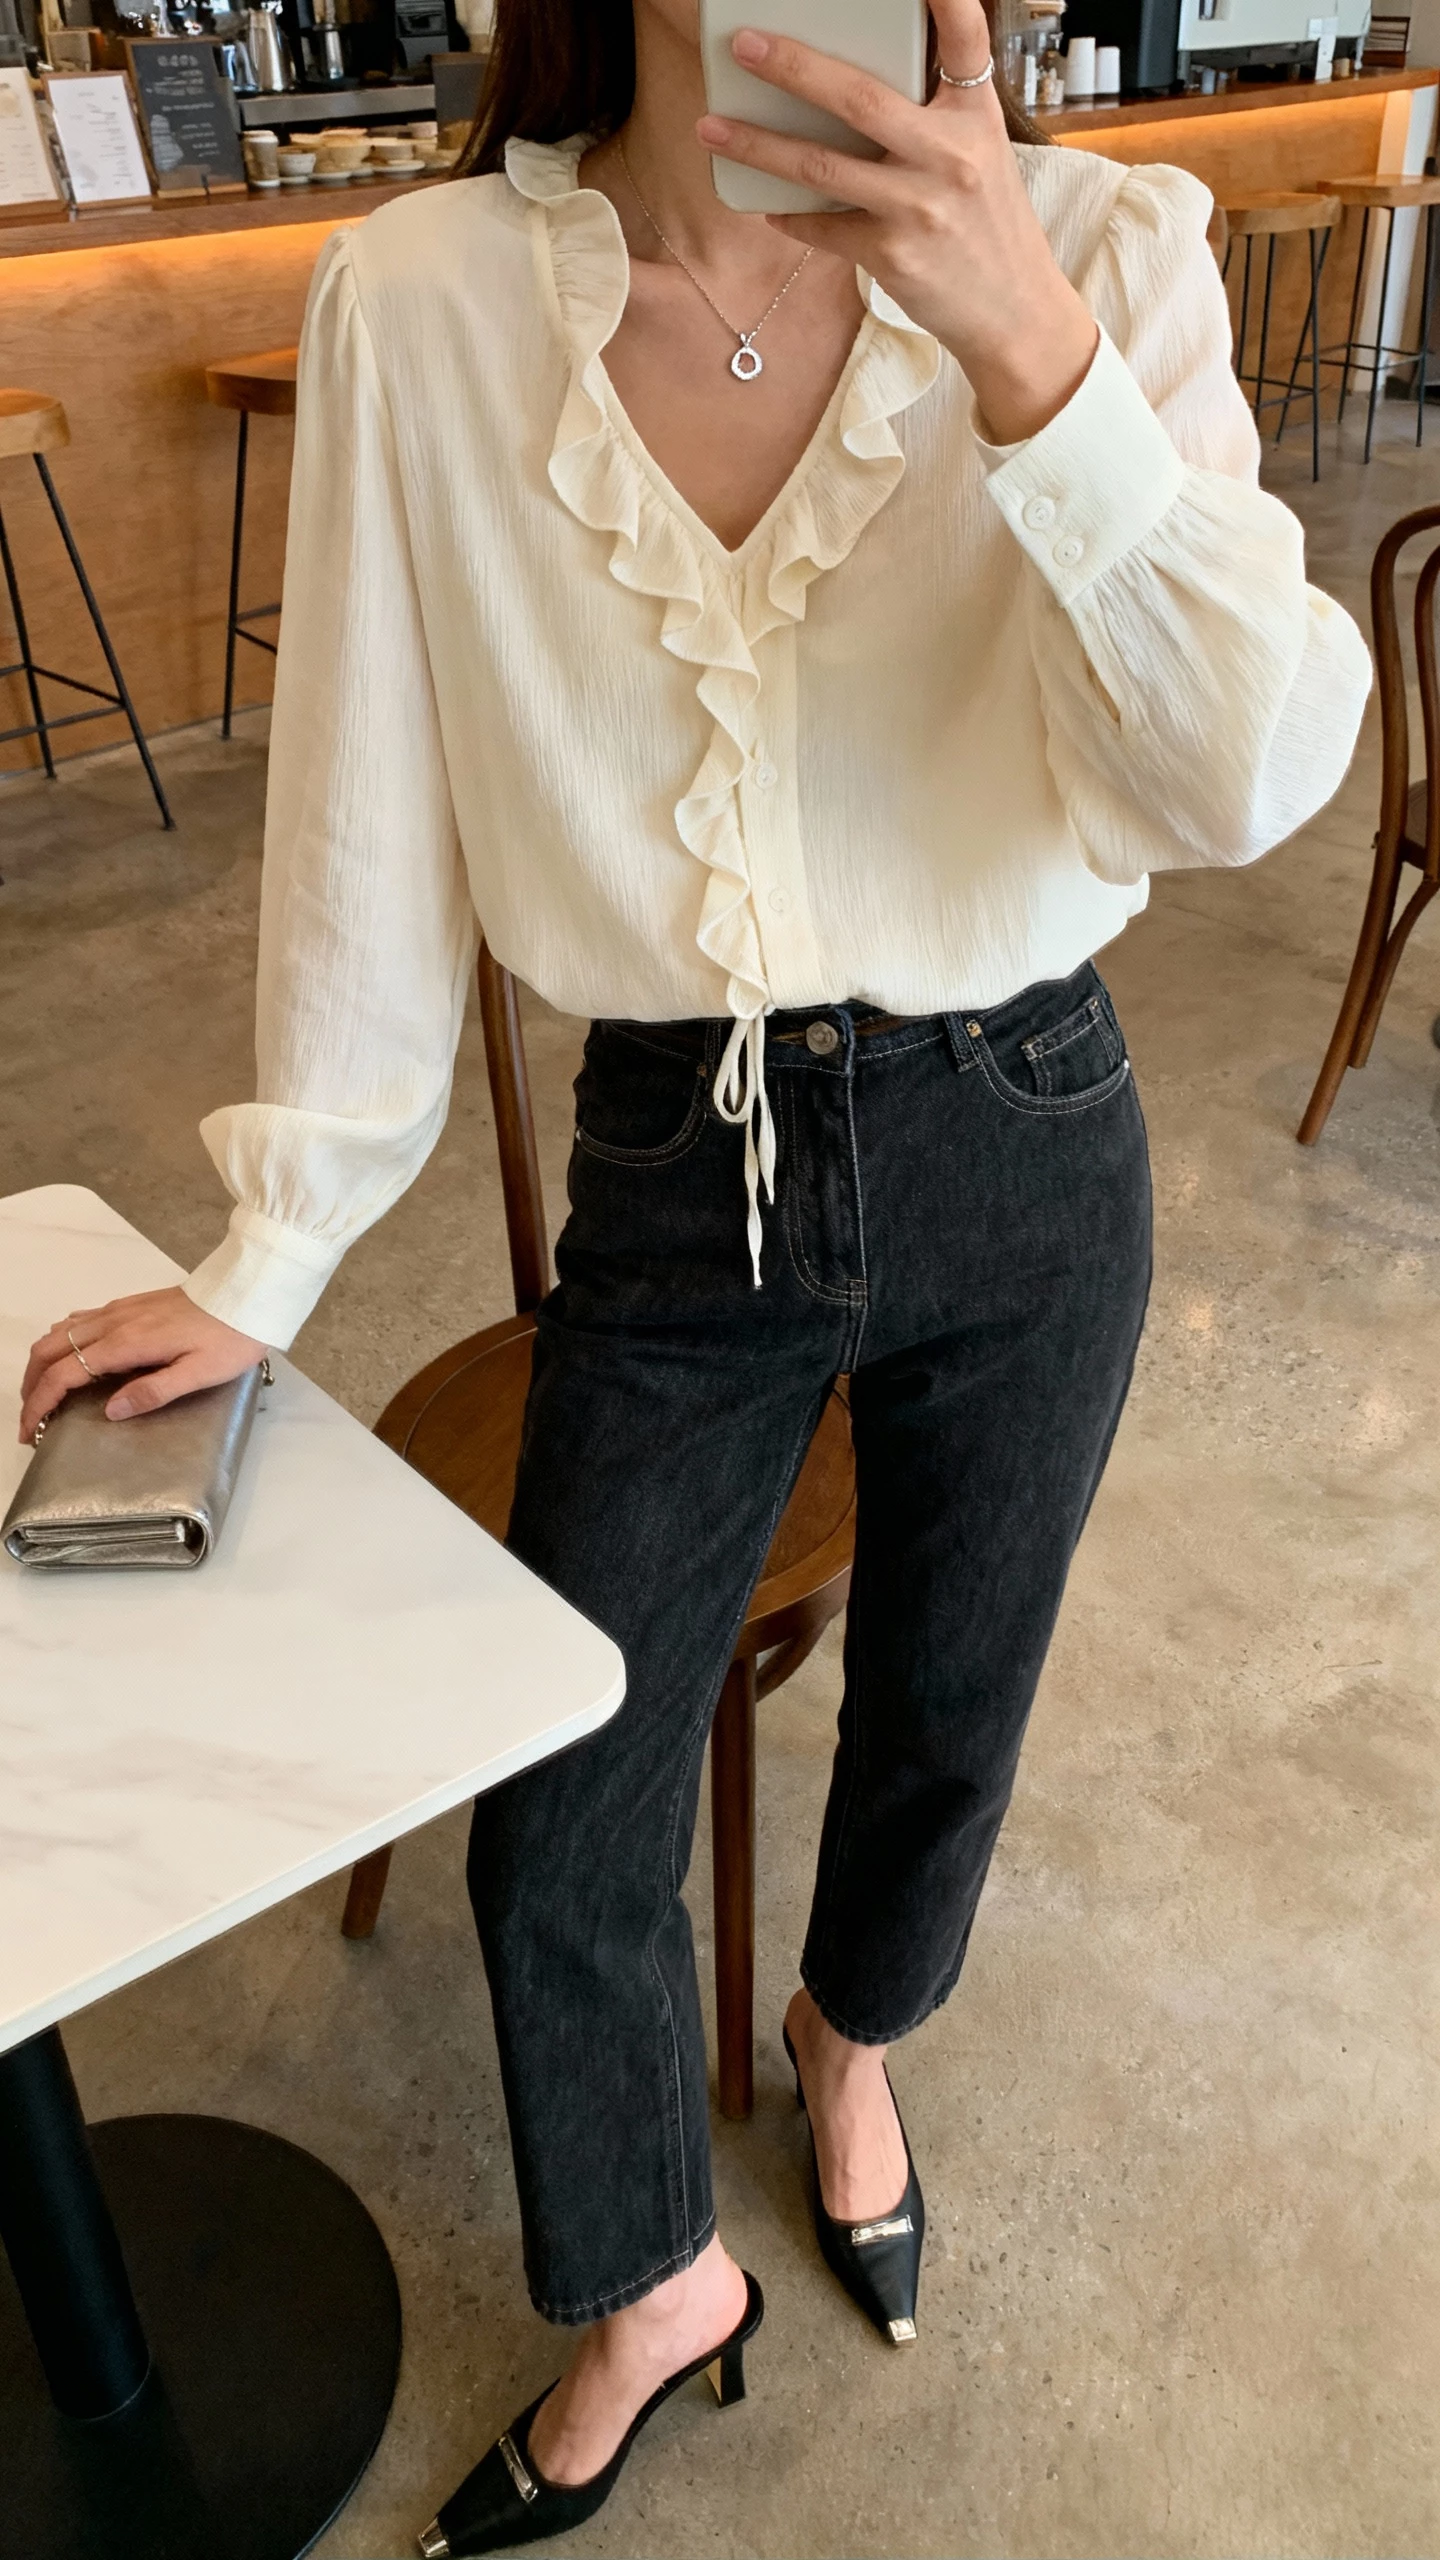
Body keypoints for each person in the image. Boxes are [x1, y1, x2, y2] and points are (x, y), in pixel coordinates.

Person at [21, 0, 1370, 2548]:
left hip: (1029, 1126)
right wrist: (277, 1234)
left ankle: (852, 2047)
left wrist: (1029, 360)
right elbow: (366, 818)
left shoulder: (1106, 251)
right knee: (565, 1803)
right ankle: (651, 2277)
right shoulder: (422, 302)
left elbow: (1254, 774)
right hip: (682, 1166)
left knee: (953, 1708)